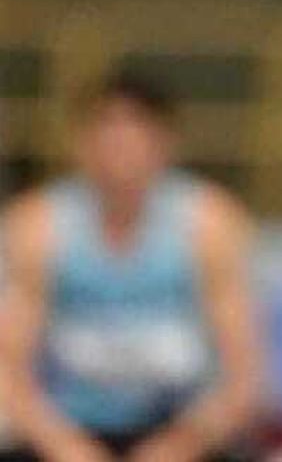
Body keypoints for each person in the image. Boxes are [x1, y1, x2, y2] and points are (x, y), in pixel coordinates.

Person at [0, 72, 265, 462]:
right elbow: (8, 369)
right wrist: (66, 446)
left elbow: (246, 376)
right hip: (73, 428)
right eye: (105, 131)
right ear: (81, 142)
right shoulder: (39, 227)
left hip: (180, 428)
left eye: (135, 133)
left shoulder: (209, 225)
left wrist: (180, 446)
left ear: (165, 143)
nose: (120, 149)